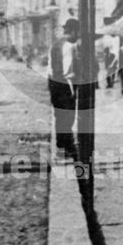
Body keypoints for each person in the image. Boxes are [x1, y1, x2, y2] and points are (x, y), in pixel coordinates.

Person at [47, 18, 79, 160]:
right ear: (73, 31)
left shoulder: (54, 45)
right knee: (68, 118)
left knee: (59, 118)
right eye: (77, 33)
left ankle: (61, 150)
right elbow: (68, 71)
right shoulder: (69, 47)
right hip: (65, 85)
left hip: (54, 84)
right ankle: (68, 148)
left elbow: (49, 68)